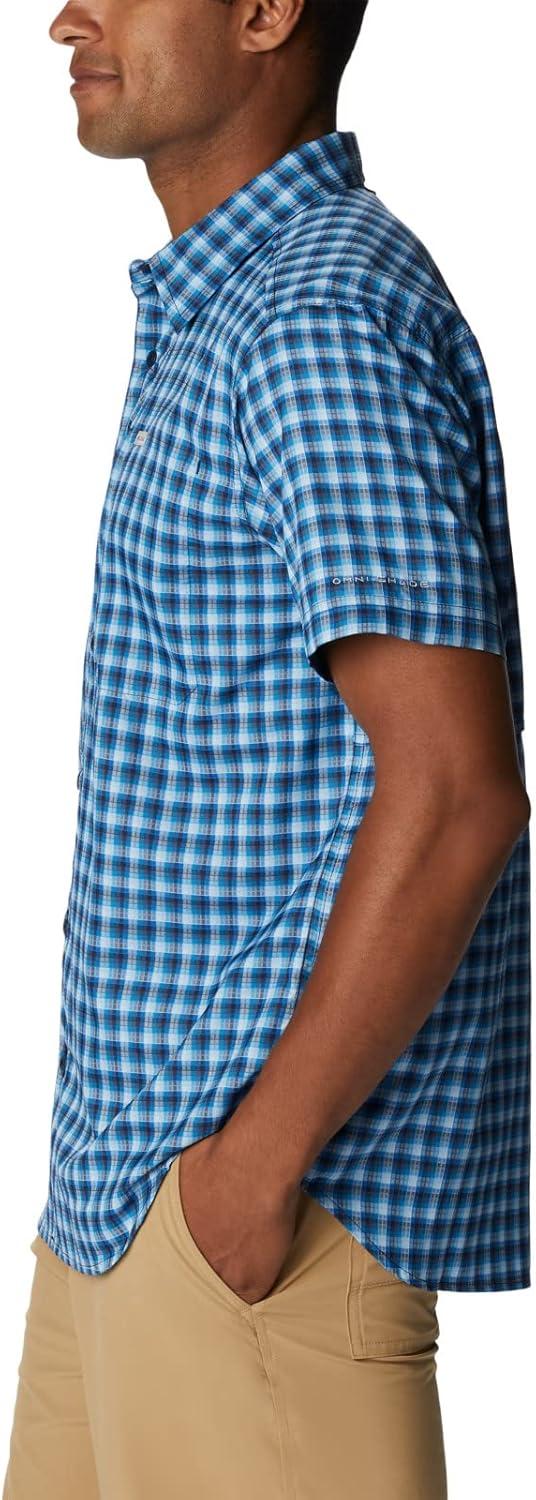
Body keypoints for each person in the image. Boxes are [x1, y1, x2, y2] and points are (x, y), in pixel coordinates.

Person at [3, 2, 531, 1497]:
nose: (68, 16)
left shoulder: (315, 317)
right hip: (120, 1204)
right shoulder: (225, 313)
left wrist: (252, 1173)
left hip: (254, 1232)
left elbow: (457, 793)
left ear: (263, 12)